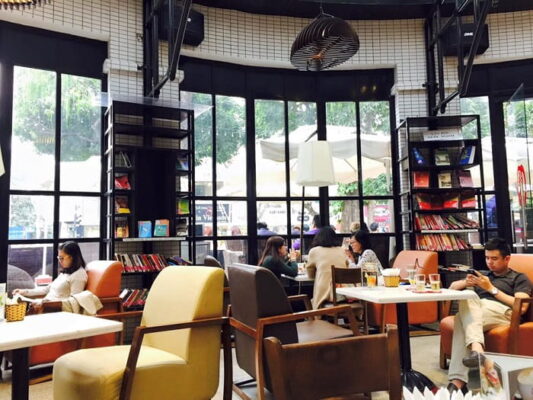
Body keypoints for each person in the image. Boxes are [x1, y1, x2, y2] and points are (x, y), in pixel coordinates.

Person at [447, 238, 532, 394]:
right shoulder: (483, 275)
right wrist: (466, 283)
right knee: (468, 299)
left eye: (494, 258)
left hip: (503, 313)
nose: (489, 262)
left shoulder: (519, 278)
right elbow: (452, 288)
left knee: (462, 317)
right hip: (479, 309)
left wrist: (491, 288)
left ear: (507, 259)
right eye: (487, 258)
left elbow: (522, 307)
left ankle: (457, 381)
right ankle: (477, 351)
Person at [13, 241, 88, 310]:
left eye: (62, 258)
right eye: (59, 258)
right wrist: (24, 292)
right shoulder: (66, 272)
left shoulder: (79, 275)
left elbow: (74, 303)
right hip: (47, 306)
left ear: (72, 257)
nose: (60, 261)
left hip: (56, 309)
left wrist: (48, 304)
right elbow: (46, 289)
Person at [306, 226, 348, 309]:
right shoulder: (342, 250)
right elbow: (347, 267)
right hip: (345, 292)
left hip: (325, 294)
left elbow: (310, 275)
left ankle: (317, 316)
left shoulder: (314, 251)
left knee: (313, 300)